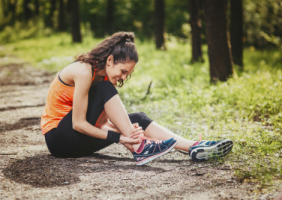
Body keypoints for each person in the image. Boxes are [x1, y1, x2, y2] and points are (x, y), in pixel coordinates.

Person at [40, 32, 233, 165]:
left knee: (137, 119)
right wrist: (121, 136)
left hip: (79, 142)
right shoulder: (83, 71)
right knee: (108, 93)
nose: (123, 77)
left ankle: (193, 147)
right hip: (59, 141)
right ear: (109, 60)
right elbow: (79, 124)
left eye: (128, 74)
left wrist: (130, 134)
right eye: (123, 71)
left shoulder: (106, 78)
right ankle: (140, 148)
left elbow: (100, 124)